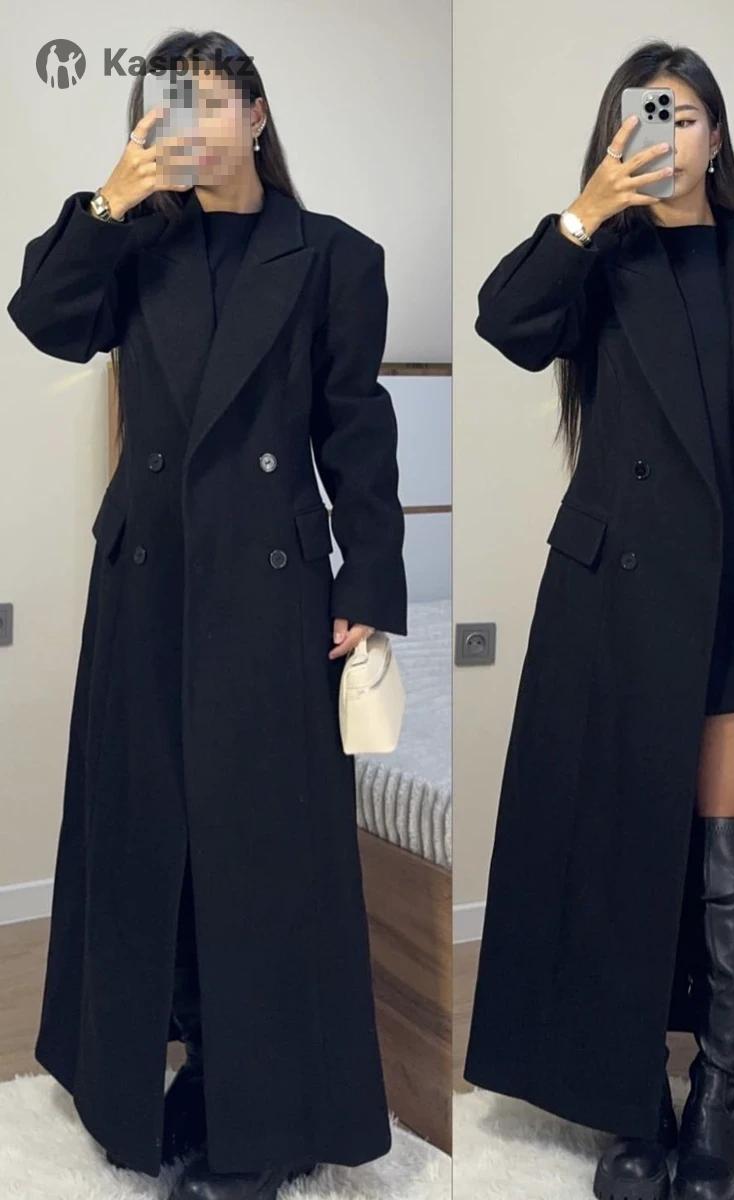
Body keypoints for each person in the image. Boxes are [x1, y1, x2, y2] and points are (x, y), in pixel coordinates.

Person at [8, 29, 407, 1200]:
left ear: (259, 116)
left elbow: (356, 427)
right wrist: (108, 201)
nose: (192, 125)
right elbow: (42, 316)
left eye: (213, 102)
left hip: (271, 588)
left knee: (263, 852)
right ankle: (166, 1079)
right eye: (168, 106)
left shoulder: (333, 256)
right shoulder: (132, 244)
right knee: (149, 839)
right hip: (146, 584)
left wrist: (368, 582)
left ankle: (266, 1117)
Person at [463, 41, 734, 1200]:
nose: (665, 135)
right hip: (614, 594)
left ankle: (712, 1099)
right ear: (612, 136)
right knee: (615, 838)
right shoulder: (593, 261)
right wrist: (585, 212)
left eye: (682, 115)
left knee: (721, 835)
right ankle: (628, 1090)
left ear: (716, 136)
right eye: (641, 116)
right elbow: (504, 323)